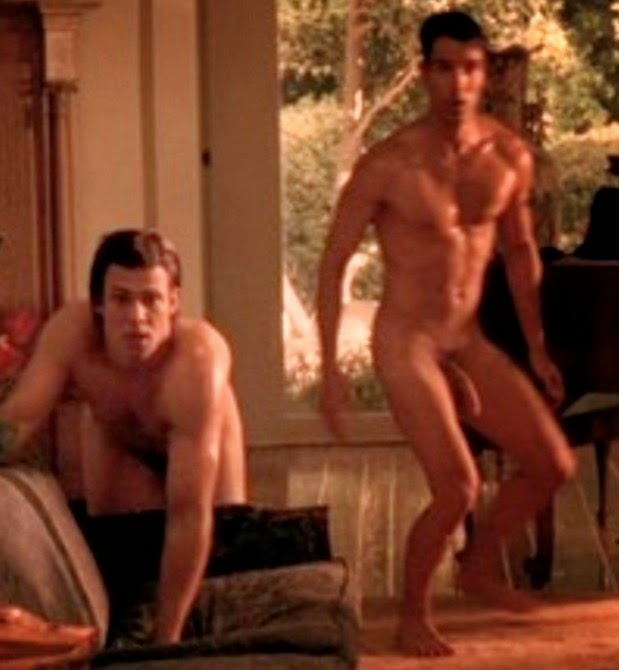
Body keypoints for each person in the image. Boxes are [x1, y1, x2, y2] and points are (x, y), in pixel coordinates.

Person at [317, 10, 576, 658]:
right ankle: (412, 616)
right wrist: (329, 369)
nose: (458, 84)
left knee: (552, 463)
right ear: (424, 72)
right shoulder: (389, 164)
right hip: (406, 340)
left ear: (485, 74)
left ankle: (479, 566)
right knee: (457, 486)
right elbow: (333, 262)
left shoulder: (508, 157)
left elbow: (520, 253)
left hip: (467, 339)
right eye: (444, 68)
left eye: (470, 68)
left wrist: (537, 345)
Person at [0, 229, 247, 644]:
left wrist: (165, 641)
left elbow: (189, 515)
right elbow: (19, 420)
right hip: (121, 440)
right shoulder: (71, 334)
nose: (137, 317)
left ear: (173, 302)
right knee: (125, 562)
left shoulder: (197, 362)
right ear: (98, 303)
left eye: (151, 299)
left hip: (197, 444)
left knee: (222, 547)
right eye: (121, 299)